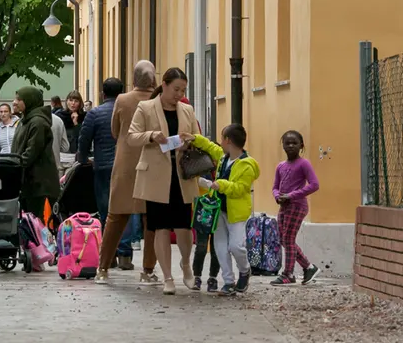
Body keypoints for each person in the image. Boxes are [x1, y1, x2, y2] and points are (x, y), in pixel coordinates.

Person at [127, 67, 200, 295]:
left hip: (181, 175)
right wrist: (151, 136)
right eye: (176, 89)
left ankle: (185, 264)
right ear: (164, 85)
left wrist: (190, 141)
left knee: (184, 227)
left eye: (183, 90)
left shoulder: (187, 110)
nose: (179, 94)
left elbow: (197, 137)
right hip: (156, 176)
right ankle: (167, 276)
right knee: (160, 227)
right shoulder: (146, 107)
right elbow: (131, 136)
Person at [97, 61, 159, 284]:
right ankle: (148, 270)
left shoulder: (122, 100)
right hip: (152, 164)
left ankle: (102, 269)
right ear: (153, 79)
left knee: (115, 217)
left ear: (133, 79)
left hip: (125, 163)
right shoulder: (159, 99)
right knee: (151, 220)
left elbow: (115, 130)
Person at [183, 124, 260, 295]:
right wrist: (195, 138)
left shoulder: (247, 166)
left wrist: (221, 185)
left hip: (237, 213)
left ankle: (245, 269)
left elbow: (241, 188)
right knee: (220, 246)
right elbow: (210, 146)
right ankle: (228, 281)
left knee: (236, 246)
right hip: (218, 210)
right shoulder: (224, 158)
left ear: (227, 141)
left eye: (222, 138)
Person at [78, 79, 130, 269]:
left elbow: (84, 139)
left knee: (106, 212)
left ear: (102, 94)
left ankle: (110, 254)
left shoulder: (94, 114)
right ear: (122, 92)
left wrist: (83, 158)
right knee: (125, 209)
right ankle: (125, 252)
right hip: (125, 166)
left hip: (103, 168)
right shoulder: (128, 111)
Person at [270, 130, 322, 286]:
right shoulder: (281, 166)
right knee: (283, 239)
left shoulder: (304, 164)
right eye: (287, 143)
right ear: (283, 146)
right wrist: (277, 195)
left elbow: (314, 185)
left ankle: (288, 274)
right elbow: (274, 187)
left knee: (288, 239)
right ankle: (309, 267)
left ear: (301, 145)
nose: (291, 146)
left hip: (297, 206)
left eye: (294, 143)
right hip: (284, 206)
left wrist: (292, 195)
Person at [11, 87, 59, 218]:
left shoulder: (38, 122)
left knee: (39, 228)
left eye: (19, 99)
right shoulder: (24, 121)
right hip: (30, 185)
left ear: (29, 101)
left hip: (40, 186)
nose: (14, 102)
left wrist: (12, 165)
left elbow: (31, 153)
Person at [51, 111, 70, 175]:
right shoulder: (57, 119)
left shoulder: (23, 121)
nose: (73, 103)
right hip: (57, 164)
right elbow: (65, 147)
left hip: (35, 170)